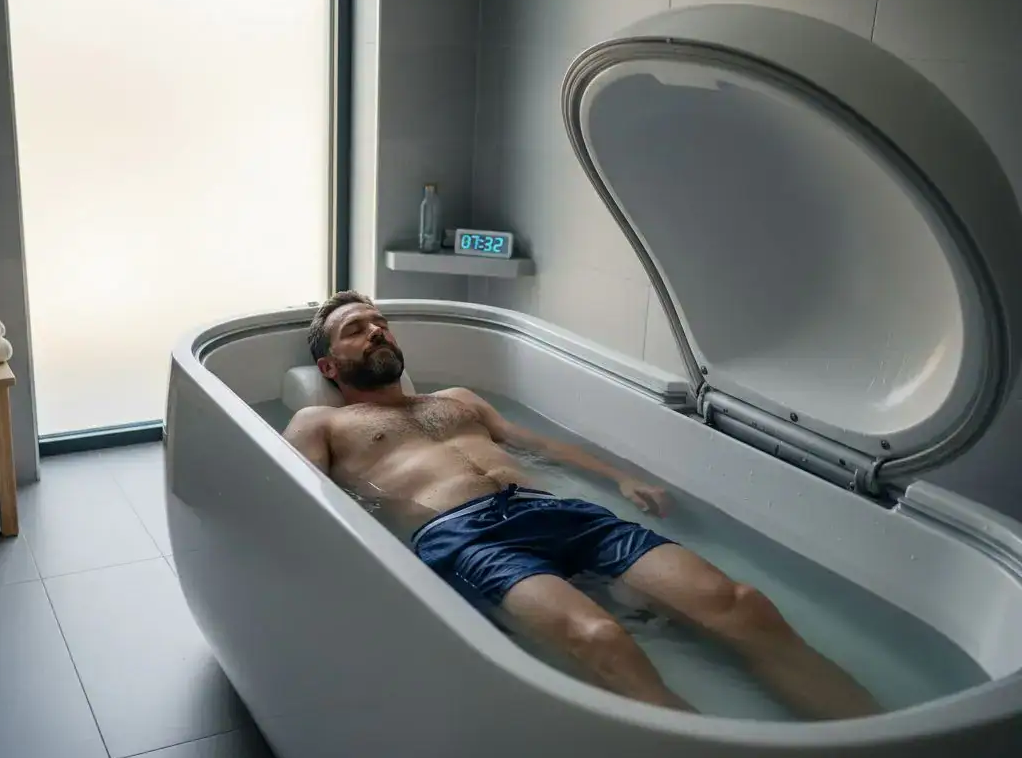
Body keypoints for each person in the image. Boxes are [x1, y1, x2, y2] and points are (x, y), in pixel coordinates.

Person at [281, 291, 880, 720]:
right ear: (330, 366)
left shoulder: (457, 398)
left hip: (555, 511)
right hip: (465, 536)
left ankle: (879, 739)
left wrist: (619, 477)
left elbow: (538, 445)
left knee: (743, 607)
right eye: (357, 328)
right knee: (600, 640)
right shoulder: (322, 421)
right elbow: (292, 495)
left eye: (381, 322)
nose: (379, 331)